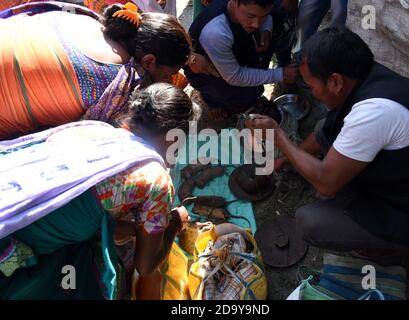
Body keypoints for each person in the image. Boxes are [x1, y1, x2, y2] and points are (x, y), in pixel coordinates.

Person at [246, 27, 409, 254]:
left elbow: (326, 184)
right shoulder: (369, 78)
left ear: (336, 82)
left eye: (311, 86)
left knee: (311, 221)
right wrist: (287, 159)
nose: (313, 93)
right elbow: (325, 132)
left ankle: (386, 249)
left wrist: (279, 137)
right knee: (328, 125)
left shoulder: (373, 114)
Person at [0, 83, 200, 299]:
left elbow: (79, 205)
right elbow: (146, 266)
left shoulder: (92, 129)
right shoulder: (154, 179)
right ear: (173, 137)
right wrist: (174, 224)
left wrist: (136, 230)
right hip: (12, 249)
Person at [0, 1, 191, 139]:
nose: (166, 80)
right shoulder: (118, 86)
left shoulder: (87, 20)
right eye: (167, 75)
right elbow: (83, 139)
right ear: (149, 61)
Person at [184, 0, 298, 120]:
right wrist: (280, 74)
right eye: (251, 16)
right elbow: (235, 77)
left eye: (262, 17)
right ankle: (212, 101)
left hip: (232, 51)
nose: (256, 24)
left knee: (279, 14)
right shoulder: (216, 32)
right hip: (207, 71)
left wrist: (266, 31)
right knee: (249, 94)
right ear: (233, 2)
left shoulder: (248, 15)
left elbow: (267, 15)